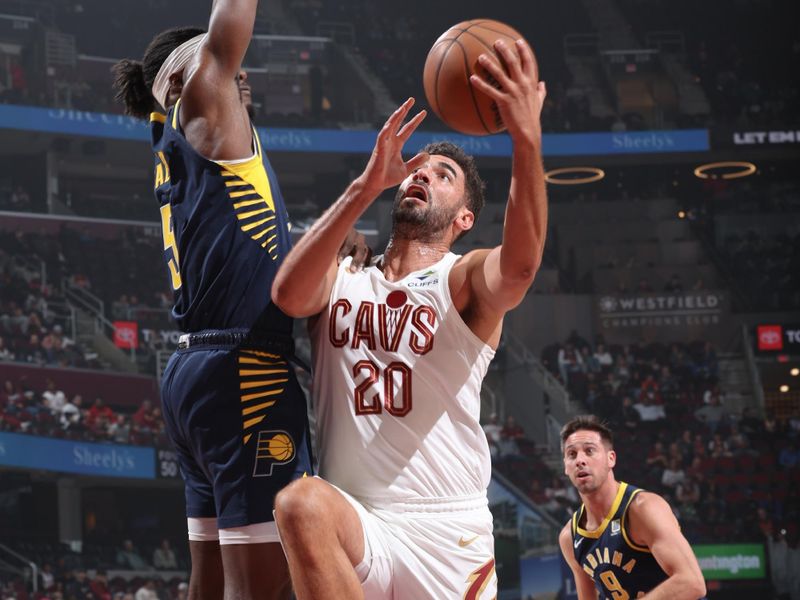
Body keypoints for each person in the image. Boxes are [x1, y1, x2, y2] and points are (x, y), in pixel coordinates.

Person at [272, 38, 547, 599]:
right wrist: (363, 186)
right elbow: (288, 296)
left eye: (444, 174)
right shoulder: (344, 270)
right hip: (360, 523)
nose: (422, 175)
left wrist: (526, 139)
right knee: (300, 503)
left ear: (465, 217)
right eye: (417, 169)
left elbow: (517, 270)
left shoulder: (461, 277)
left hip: (444, 530)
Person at [112, 3, 365, 598]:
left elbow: (245, 249)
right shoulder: (203, 103)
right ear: (182, 79)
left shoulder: (181, 143)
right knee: (265, 586)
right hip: (243, 370)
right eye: (220, 64)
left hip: (195, 371)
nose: (239, 73)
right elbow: (228, 33)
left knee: (208, 578)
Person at [558, 416, 707, 599]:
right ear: (565, 466)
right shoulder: (569, 537)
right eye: (571, 454)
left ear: (610, 459)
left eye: (589, 451)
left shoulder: (643, 508)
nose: (580, 460)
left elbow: (692, 582)